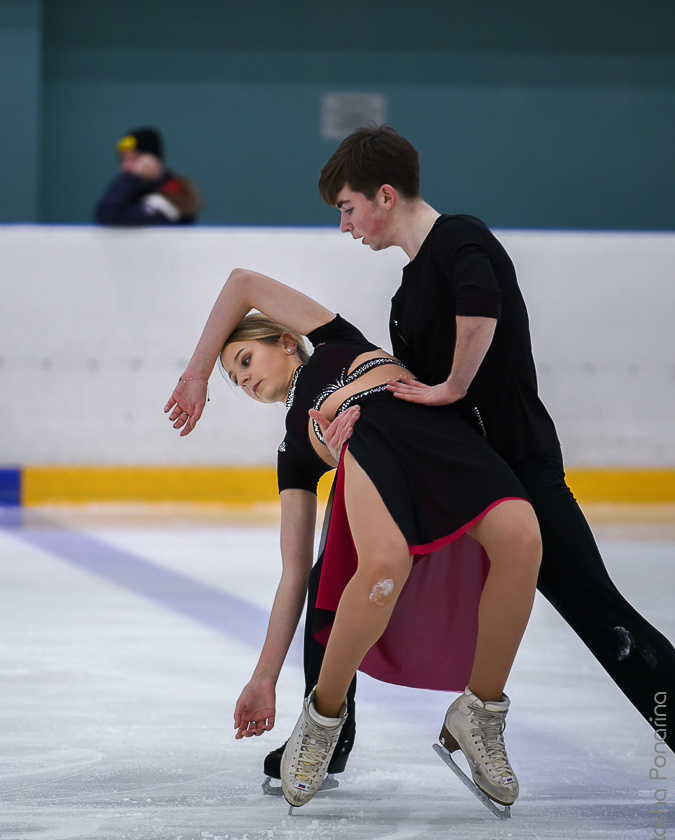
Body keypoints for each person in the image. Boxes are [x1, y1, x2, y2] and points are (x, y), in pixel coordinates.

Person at [304, 123, 674, 767]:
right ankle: (326, 733)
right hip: (463, 478)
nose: (345, 226)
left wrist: (454, 385)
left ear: (385, 195)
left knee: (597, 610)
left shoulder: (459, 238)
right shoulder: (405, 296)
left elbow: (482, 305)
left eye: (347, 207)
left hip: (519, 465)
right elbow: (411, 400)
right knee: (333, 577)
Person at [164, 269, 542, 809]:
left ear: (286, 340)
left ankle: (479, 712)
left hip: (435, 430)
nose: (243, 381)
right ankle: (322, 720)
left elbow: (242, 283)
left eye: (245, 361)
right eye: (233, 379)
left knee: (523, 539)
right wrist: (264, 679)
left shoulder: (335, 340)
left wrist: (198, 372)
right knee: (384, 567)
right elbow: (295, 573)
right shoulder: (292, 453)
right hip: (369, 441)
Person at [94, 127, 201, 226]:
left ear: (152, 160)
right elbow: (104, 214)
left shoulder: (174, 192)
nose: (125, 166)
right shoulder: (131, 189)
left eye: (133, 158)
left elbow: (110, 215)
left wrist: (133, 178)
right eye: (123, 159)